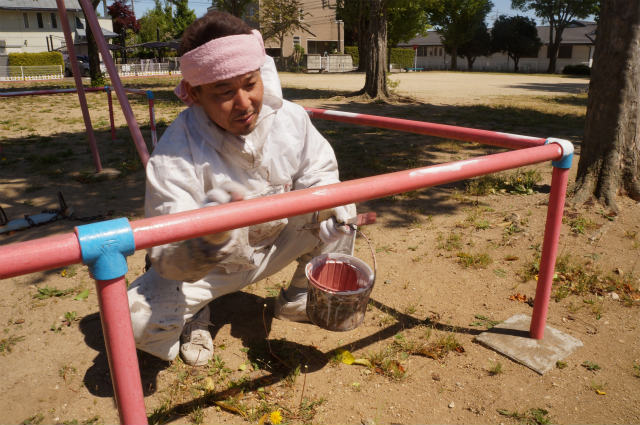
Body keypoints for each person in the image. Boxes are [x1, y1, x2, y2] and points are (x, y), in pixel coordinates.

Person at [127, 11, 357, 367]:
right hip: (208, 269)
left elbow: (319, 172)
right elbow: (169, 249)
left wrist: (328, 208)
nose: (244, 102)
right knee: (134, 322)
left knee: (343, 207)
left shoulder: (290, 119)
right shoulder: (176, 152)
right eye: (223, 92)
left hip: (274, 242)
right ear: (195, 93)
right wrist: (209, 237)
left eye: (250, 84)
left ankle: (298, 297)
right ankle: (195, 313)